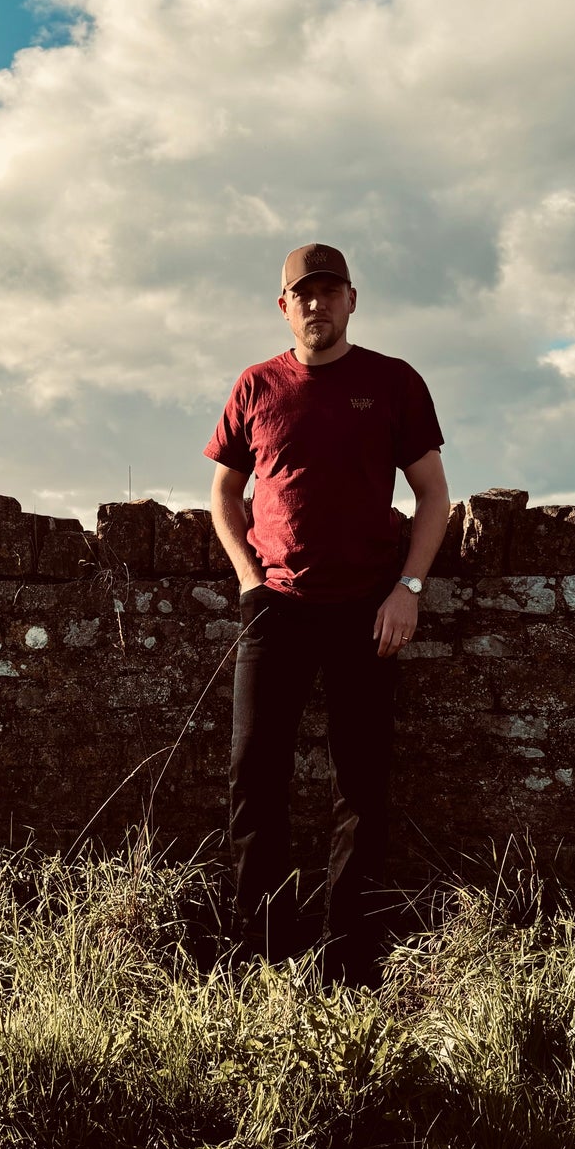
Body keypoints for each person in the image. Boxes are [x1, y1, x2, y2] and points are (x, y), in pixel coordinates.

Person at [204, 243, 451, 982]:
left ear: (351, 299)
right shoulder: (257, 385)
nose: (316, 304)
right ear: (284, 306)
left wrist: (408, 589)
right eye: (302, 294)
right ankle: (260, 950)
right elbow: (223, 494)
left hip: (366, 610)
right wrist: (249, 583)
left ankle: (349, 959)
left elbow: (433, 495)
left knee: (360, 784)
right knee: (254, 776)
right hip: (274, 610)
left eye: (329, 291)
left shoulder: (393, 381)